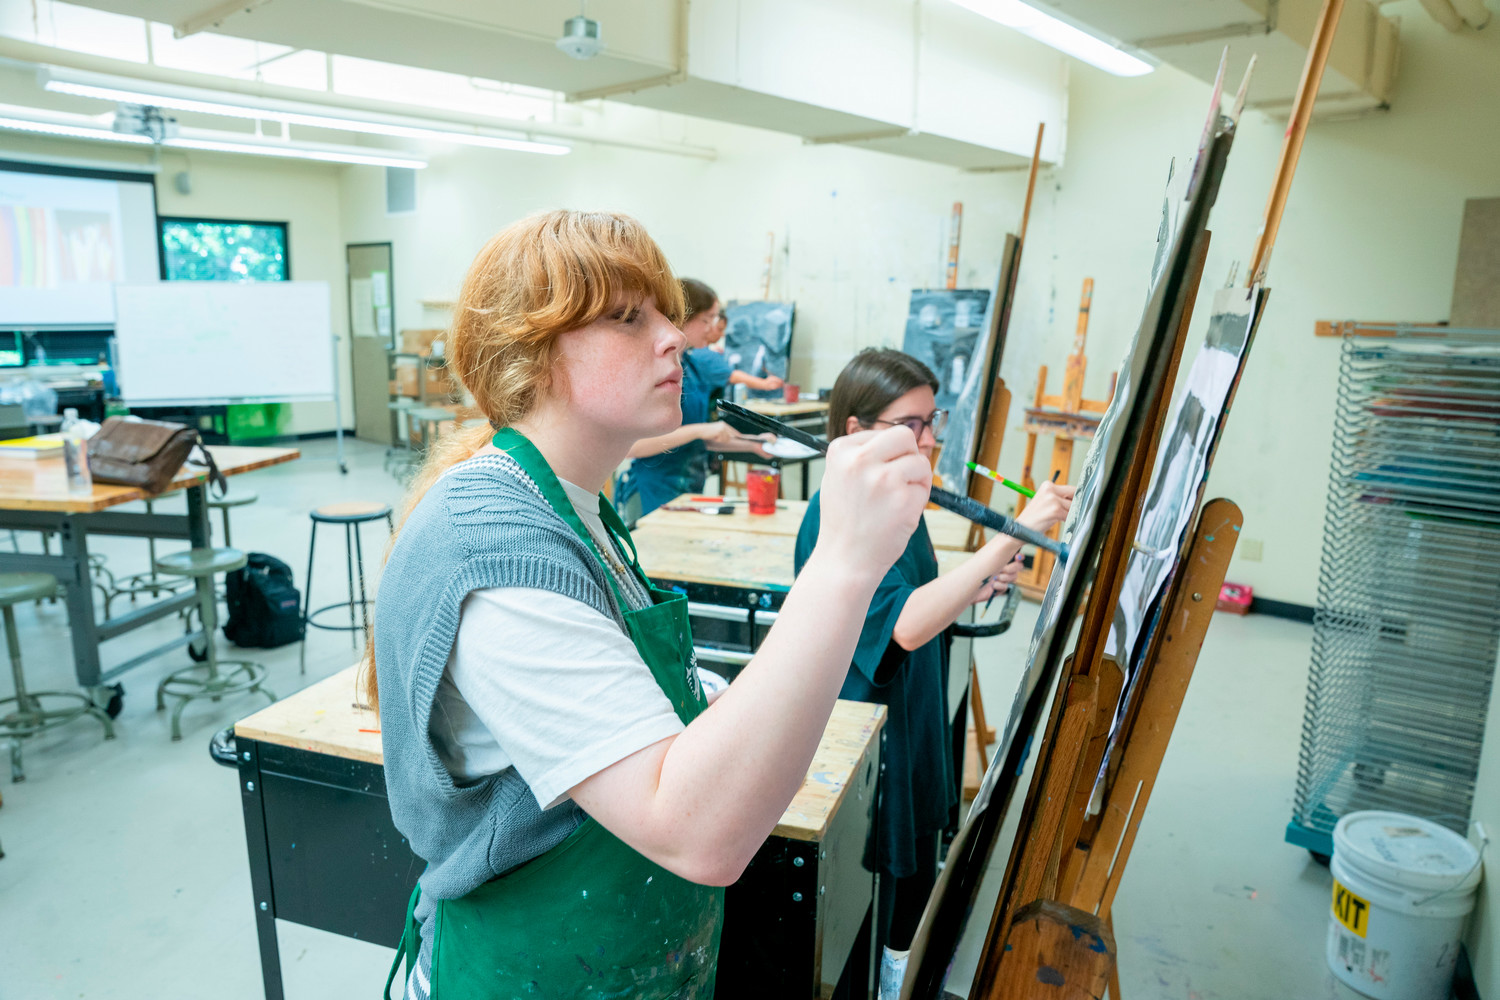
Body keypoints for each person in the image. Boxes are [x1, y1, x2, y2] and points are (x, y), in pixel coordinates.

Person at [366, 211, 937, 1000]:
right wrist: (841, 563)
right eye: (629, 318)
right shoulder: (498, 549)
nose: (673, 338)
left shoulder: (578, 506)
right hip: (533, 975)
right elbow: (696, 831)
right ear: (530, 353)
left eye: (668, 314)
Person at [793, 348, 1075, 966]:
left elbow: (916, 593)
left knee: (912, 889)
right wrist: (1011, 534)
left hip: (910, 719)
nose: (928, 439)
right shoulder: (839, 515)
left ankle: (903, 969)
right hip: (870, 738)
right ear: (856, 431)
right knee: (872, 912)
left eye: (931, 420)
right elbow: (904, 626)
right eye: (911, 424)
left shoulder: (900, 495)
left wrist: (976, 582)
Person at [617, 278, 782, 519]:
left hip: (688, 494)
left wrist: (753, 444)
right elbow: (633, 447)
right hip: (651, 494)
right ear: (682, 317)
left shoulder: (693, 369)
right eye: (706, 320)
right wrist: (700, 430)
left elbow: (700, 438)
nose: (710, 328)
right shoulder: (650, 370)